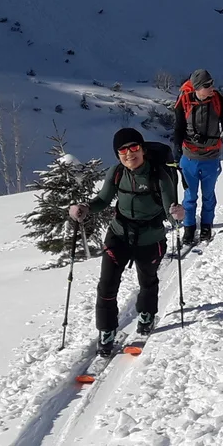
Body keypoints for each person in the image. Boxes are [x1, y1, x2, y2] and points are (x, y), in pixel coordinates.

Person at [68, 127, 183, 355]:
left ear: (143, 149)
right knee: (107, 284)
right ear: (117, 154)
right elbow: (103, 199)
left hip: (151, 238)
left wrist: (177, 214)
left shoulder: (159, 175)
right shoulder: (116, 173)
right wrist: (85, 208)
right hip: (119, 235)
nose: (129, 153)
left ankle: (147, 314)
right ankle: (106, 330)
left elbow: (170, 210)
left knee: (147, 280)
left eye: (134, 147)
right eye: (123, 150)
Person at [171, 68, 223, 246]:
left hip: (211, 156)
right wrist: (176, 149)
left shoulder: (218, 99)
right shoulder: (184, 100)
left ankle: (206, 225)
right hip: (189, 156)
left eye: (212, 83)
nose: (211, 87)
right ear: (197, 88)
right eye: (207, 85)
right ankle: (189, 227)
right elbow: (178, 127)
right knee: (190, 195)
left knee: (208, 194)